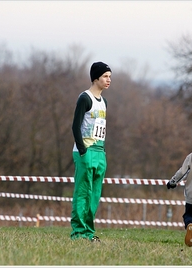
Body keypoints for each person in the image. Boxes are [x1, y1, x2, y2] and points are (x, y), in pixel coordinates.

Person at [70, 62, 112, 242]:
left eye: (110, 76)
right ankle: (78, 233)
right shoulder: (85, 98)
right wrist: (82, 151)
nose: (109, 80)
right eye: (105, 76)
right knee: (83, 192)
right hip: (85, 151)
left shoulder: (104, 102)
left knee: (94, 195)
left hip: (100, 151)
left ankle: (89, 232)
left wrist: (102, 153)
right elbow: (75, 126)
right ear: (95, 78)